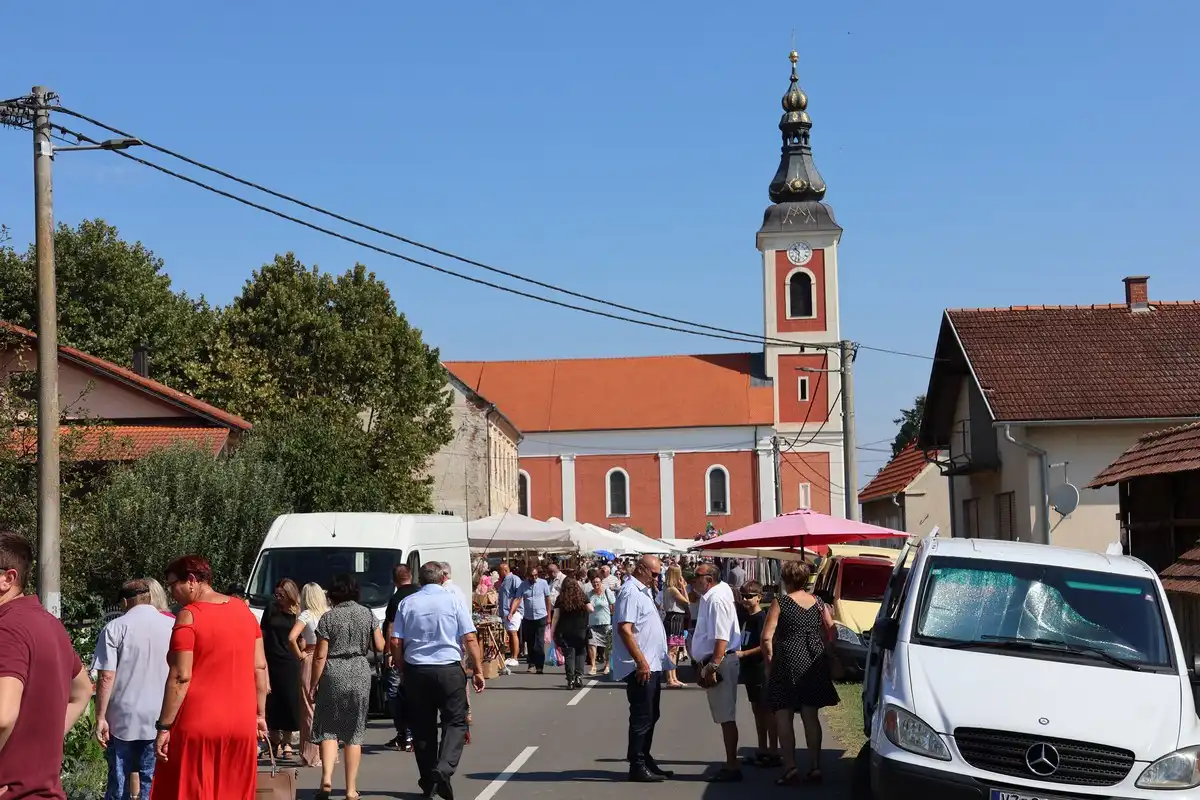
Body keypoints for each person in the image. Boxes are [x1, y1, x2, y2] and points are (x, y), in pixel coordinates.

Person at [150, 555, 268, 800]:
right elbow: (260, 667)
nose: (172, 593)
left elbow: (181, 676)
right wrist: (260, 715)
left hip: (199, 722)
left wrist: (164, 726)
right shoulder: (244, 611)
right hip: (241, 723)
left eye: (173, 584)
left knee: (193, 791)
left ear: (192, 580)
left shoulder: (189, 615)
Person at [0, 531, 94, 799]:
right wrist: (44, 743)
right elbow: (83, 690)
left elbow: (3, 717)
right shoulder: (50, 624)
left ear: (8, 578)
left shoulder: (7, 628)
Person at [392, 562, 485, 800]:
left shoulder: (407, 603)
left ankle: (429, 780)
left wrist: (402, 668)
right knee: (455, 722)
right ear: (442, 578)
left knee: (422, 728)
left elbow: (396, 641)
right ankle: (442, 769)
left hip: (417, 669)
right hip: (448, 668)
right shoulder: (453, 600)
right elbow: (470, 637)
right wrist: (478, 670)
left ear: (420, 580)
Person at [95, 579, 174, 800]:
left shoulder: (115, 628)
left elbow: (106, 676)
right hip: (161, 716)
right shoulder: (173, 625)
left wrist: (100, 717)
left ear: (124, 602)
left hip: (122, 717)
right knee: (152, 780)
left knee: (119, 780)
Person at [762, 560, 839, 786]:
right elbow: (832, 630)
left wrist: (769, 663)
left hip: (787, 658)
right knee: (810, 714)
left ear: (785, 579)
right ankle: (815, 766)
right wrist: (826, 647)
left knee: (783, 713)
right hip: (814, 659)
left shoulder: (781, 602)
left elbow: (766, 637)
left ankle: (790, 767)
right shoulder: (818, 602)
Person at [309, 573, 385, 800]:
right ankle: (351, 789)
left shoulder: (328, 618)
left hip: (333, 672)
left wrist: (313, 684)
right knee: (354, 732)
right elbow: (380, 645)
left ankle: (326, 779)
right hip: (359, 671)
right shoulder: (367, 614)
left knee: (328, 728)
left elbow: (320, 656)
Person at [613, 555, 672, 784]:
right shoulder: (630, 591)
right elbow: (625, 629)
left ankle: (645, 758)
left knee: (651, 714)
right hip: (641, 666)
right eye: (653, 574)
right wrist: (641, 661)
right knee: (642, 716)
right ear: (640, 569)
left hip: (652, 664)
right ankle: (637, 764)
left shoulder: (644, 591)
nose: (656, 578)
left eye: (658, 574)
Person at [690, 562, 743, 783]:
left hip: (720, 660)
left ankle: (732, 765)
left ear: (709, 580)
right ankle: (731, 762)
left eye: (697, 576)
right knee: (724, 715)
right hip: (718, 659)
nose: (693, 580)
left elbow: (721, 637)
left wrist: (712, 666)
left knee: (726, 716)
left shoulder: (716, 599)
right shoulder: (714, 594)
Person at [733, 581, 779, 768]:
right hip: (749, 670)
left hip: (760, 668)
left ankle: (773, 750)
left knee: (767, 711)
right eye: (743, 596)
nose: (745, 599)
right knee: (757, 711)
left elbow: (766, 644)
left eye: (749, 596)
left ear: (759, 597)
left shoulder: (762, 618)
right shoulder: (744, 616)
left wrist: (744, 654)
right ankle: (762, 748)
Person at [287, 582, 331, 767]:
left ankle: (312, 754)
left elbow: (291, 637)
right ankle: (329, 753)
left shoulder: (306, 614)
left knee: (309, 706)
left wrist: (300, 655)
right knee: (327, 706)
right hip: (329, 658)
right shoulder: (329, 613)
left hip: (311, 657)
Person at [262, 578, 302, 759]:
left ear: (289, 594)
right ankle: (274, 741)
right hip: (271, 658)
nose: (277, 598)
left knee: (289, 701)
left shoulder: (298, 612)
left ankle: (287, 741)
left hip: (290, 660)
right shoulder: (271, 608)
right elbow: (262, 632)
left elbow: (302, 637)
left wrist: (301, 654)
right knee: (272, 701)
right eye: (276, 594)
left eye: (281, 595)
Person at [382, 565, 419, 751]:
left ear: (394, 580)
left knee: (395, 693)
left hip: (400, 652)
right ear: (410, 576)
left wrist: (389, 652)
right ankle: (414, 733)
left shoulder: (396, 599)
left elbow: (391, 627)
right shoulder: (420, 594)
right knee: (415, 693)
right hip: (418, 652)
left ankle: (404, 733)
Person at [508, 566, 552, 674]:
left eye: (536, 575)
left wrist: (549, 615)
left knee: (539, 643)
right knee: (530, 642)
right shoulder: (523, 585)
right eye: (532, 576)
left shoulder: (543, 583)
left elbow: (547, 599)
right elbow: (517, 599)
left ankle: (539, 666)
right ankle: (531, 664)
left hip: (541, 616)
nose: (534, 578)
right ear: (528, 576)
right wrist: (511, 612)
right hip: (528, 617)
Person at [551, 578, 591, 689]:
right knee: (581, 653)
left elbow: (556, 616)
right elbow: (591, 609)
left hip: (565, 631)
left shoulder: (560, 598)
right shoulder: (582, 597)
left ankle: (570, 680)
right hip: (581, 630)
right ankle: (578, 676)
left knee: (569, 655)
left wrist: (552, 631)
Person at [661, 565, 689, 689]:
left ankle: (674, 677)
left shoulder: (669, 588)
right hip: (674, 618)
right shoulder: (672, 589)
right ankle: (670, 679)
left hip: (677, 618)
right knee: (672, 650)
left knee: (675, 650)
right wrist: (683, 587)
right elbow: (687, 601)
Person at [586, 575, 615, 675]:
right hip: (593, 623)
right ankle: (593, 666)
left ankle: (607, 665)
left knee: (607, 645)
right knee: (591, 644)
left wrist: (613, 617)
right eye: (594, 582)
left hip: (606, 622)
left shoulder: (607, 592)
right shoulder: (589, 594)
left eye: (597, 582)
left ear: (601, 583)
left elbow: (613, 605)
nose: (595, 584)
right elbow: (586, 606)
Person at [496, 562, 522, 668]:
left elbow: (518, 596)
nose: (498, 572)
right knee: (510, 634)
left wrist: (512, 611)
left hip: (513, 612)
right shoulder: (503, 581)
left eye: (499, 570)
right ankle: (512, 656)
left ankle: (515, 657)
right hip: (505, 612)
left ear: (505, 570)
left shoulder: (514, 579)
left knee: (513, 633)